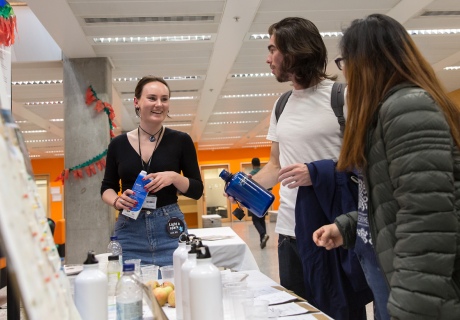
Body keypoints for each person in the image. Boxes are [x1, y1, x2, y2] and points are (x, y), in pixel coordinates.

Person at [313, 14, 460, 319]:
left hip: (427, 295)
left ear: (366, 62)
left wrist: (410, 308)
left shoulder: (407, 108)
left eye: (345, 62)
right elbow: (395, 198)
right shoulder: (388, 112)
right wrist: (349, 226)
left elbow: (427, 219)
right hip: (397, 278)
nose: (346, 74)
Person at [237, 17, 371, 319]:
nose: (268, 58)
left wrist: (319, 171)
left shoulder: (343, 97)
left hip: (333, 229)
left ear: (295, 51)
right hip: (289, 233)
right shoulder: (281, 104)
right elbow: (276, 164)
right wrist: (247, 186)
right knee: (298, 314)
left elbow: (365, 164)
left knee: (341, 312)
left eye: (273, 49)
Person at [101, 76, 203, 267]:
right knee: (132, 290)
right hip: (130, 230)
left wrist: (173, 177)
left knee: (176, 289)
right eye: (152, 98)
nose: (159, 104)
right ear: (136, 102)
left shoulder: (181, 141)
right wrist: (116, 200)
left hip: (170, 229)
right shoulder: (118, 144)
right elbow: (107, 187)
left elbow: (197, 190)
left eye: (164, 99)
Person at [248, 157, 270, 249]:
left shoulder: (251, 175)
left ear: (252, 165)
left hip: (254, 200)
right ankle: (262, 240)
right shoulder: (264, 173)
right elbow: (269, 187)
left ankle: (263, 234)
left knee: (255, 220)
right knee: (262, 220)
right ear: (260, 164)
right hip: (264, 200)